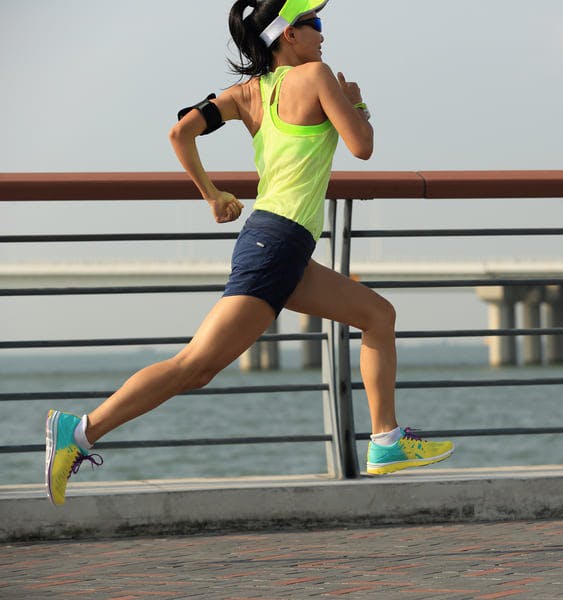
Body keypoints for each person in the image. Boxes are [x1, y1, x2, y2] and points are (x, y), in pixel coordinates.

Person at [45, 0, 454, 506]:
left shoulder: (246, 93)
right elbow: (362, 145)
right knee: (195, 366)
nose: (323, 36)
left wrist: (212, 195)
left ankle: (386, 442)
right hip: (277, 245)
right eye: (315, 25)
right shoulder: (319, 77)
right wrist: (356, 102)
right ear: (288, 36)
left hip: (280, 243)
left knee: (377, 315)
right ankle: (79, 432)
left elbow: (180, 132)